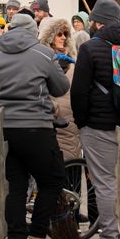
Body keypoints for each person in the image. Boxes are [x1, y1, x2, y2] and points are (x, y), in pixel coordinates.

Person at [0, 12, 70, 239]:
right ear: (33, 30)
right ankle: (36, 236)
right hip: (35, 127)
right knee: (54, 180)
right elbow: (61, 88)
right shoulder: (42, 54)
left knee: (15, 186)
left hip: (3, 128)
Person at [70, 0, 120, 239]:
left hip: (98, 125)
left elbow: (79, 91)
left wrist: (82, 121)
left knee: (106, 183)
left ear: (97, 22)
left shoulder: (90, 48)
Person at [41, 16, 85, 185]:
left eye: (66, 33)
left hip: (71, 125)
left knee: (72, 177)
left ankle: (71, 212)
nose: (63, 37)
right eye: (59, 33)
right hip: (51, 124)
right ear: (49, 37)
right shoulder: (43, 62)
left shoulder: (74, 63)